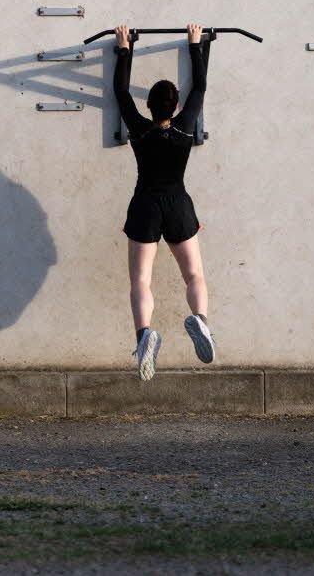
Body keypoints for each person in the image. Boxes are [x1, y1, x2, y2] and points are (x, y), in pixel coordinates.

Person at [113, 23, 215, 381]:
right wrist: (195, 45)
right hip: (178, 204)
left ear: (150, 106)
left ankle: (144, 336)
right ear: (175, 105)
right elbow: (200, 87)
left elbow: (120, 91)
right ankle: (200, 320)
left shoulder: (139, 131)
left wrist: (124, 48)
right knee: (194, 275)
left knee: (141, 281)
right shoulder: (186, 128)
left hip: (144, 205)